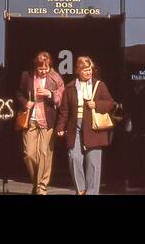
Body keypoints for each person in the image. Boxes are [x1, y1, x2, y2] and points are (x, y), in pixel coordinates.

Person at [56, 54, 116, 196]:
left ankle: (92, 193)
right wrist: (60, 127)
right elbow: (64, 110)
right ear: (78, 70)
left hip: (93, 128)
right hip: (74, 127)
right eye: (85, 70)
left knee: (93, 164)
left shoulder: (99, 85)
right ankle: (81, 190)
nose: (88, 72)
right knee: (74, 158)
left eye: (90, 69)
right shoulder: (70, 88)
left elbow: (110, 104)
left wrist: (97, 104)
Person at [16, 51, 64, 195]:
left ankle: (41, 187)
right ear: (36, 66)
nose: (43, 71)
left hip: (48, 121)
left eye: (46, 68)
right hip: (30, 119)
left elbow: (61, 96)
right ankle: (36, 183)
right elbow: (18, 93)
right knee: (29, 154)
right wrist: (26, 102)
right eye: (41, 68)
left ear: (50, 66)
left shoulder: (56, 78)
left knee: (44, 154)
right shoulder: (27, 76)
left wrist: (49, 94)